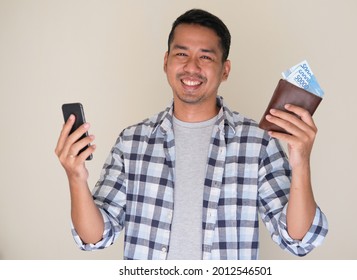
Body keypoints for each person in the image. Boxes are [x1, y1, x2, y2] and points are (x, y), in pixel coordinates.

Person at [55, 8, 328, 260]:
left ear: (225, 70)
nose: (192, 67)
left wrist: (301, 162)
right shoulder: (131, 142)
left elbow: (298, 239)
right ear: (166, 62)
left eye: (206, 56)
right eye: (182, 54)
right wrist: (75, 177)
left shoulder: (258, 142)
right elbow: (94, 237)